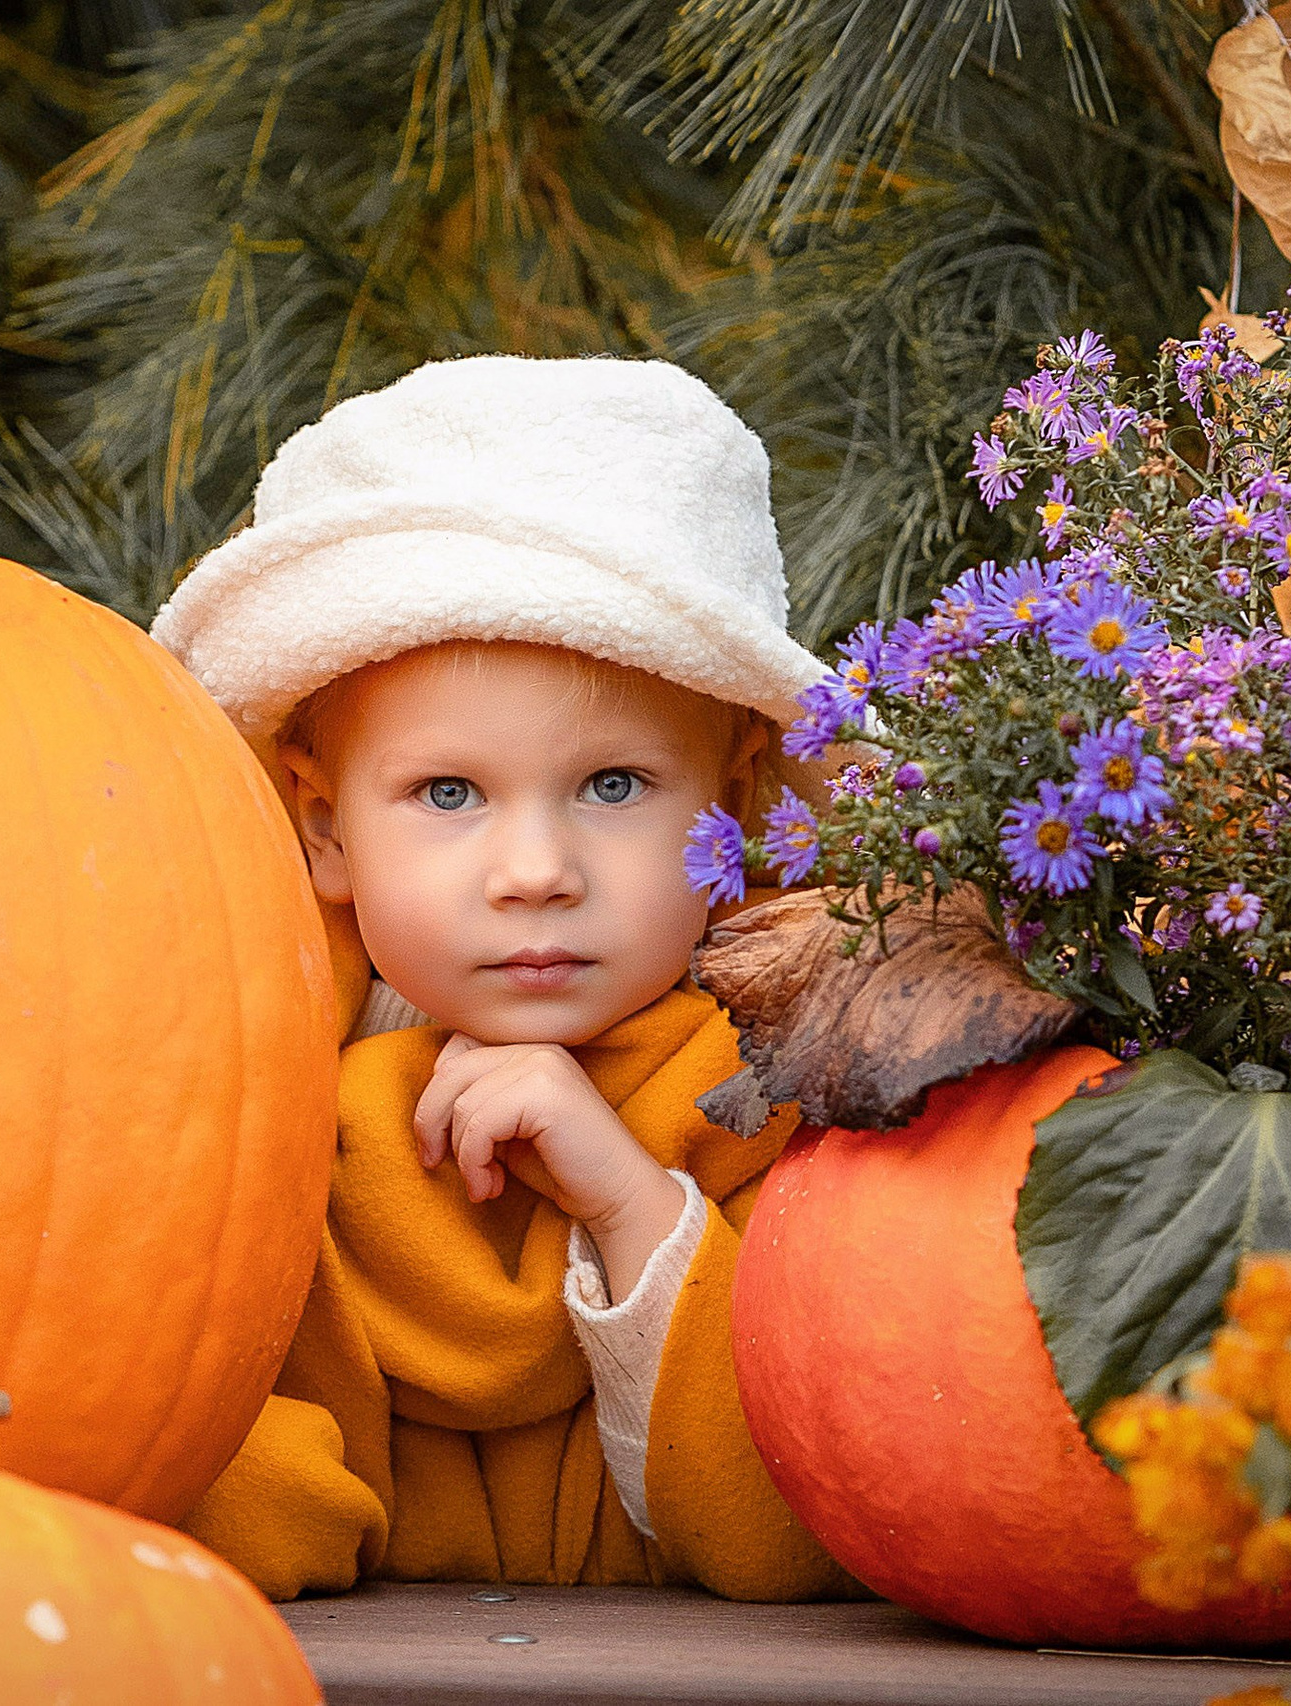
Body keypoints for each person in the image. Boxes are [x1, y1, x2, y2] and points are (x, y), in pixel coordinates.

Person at [150, 354, 862, 1602]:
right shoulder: (246, 1088)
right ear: (323, 829)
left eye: (613, 785)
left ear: (739, 804)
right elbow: (182, 1457)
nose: (534, 870)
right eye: (447, 792)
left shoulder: (798, 1081)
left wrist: (631, 1202)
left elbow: (797, 1529)